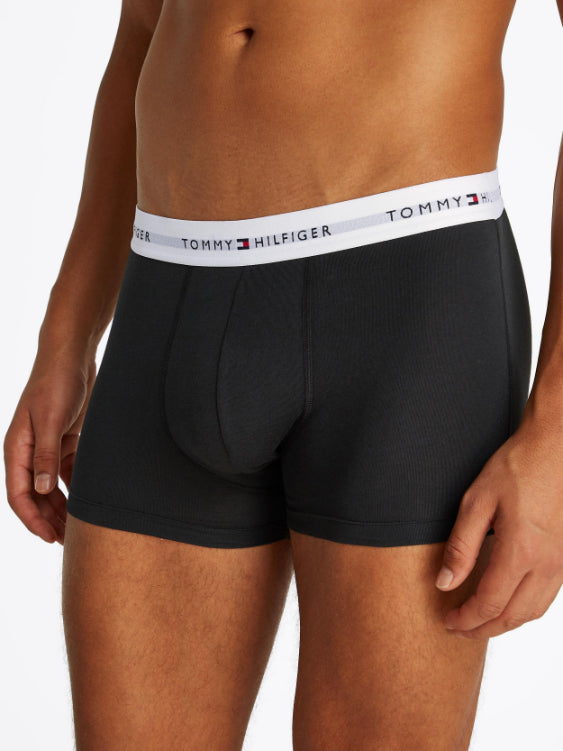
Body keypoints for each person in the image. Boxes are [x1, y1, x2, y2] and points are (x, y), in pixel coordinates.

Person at [4, 0, 563, 748]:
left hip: (404, 306)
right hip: (166, 301)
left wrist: (556, 438)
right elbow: (142, 28)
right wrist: (66, 335)